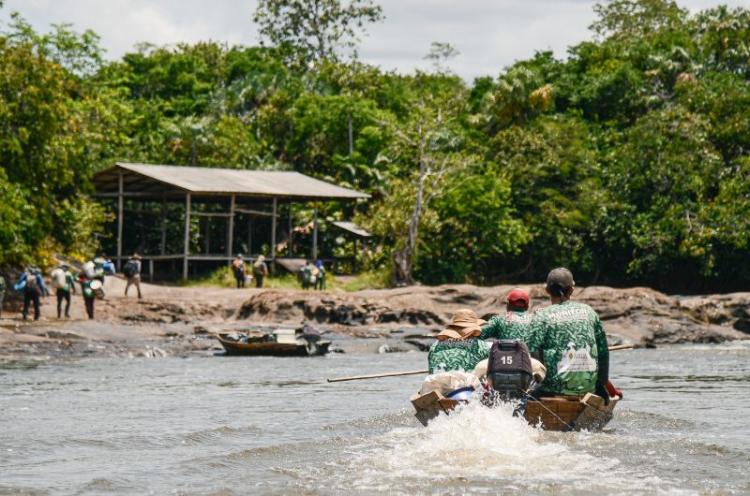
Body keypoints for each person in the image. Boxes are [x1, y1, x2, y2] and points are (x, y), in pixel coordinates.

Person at [527, 267, 610, 401]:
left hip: (552, 390)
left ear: (547, 290)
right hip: (589, 389)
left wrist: (538, 380)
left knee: (521, 401)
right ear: (571, 290)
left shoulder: (541, 315)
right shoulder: (589, 312)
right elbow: (603, 352)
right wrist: (601, 385)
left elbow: (531, 351)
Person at [428, 309, 492, 374]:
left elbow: (431, 369)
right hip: (467, 382)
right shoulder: (481, 346)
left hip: (436, 381)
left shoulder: (435, 345)